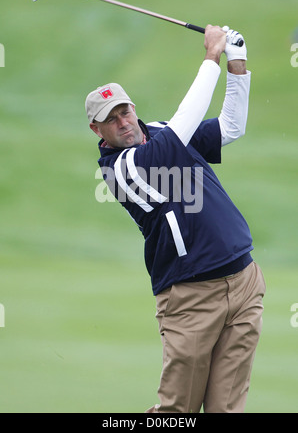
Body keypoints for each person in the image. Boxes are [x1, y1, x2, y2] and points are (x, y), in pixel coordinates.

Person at [85, 25, 266, 413]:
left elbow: (230, 128)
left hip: (245, 281)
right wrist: (211, 56)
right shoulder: (124, 168)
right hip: (191, 298)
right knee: (176, 413)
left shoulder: (161, 133)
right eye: (111, 119)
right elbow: (184, 125)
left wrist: (237, 66)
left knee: (227, 409)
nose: (123, 122)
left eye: (125, 110)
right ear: (96, 130)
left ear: (134, 108)